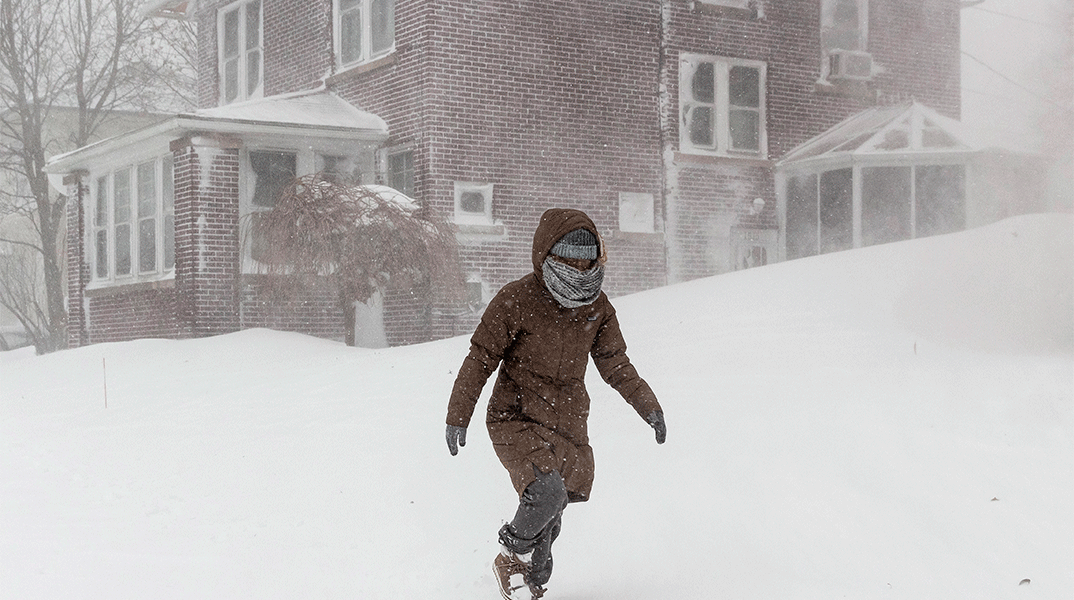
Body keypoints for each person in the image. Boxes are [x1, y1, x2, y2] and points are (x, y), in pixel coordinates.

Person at [445, 208, 666, 600]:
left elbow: (615, 363)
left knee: (549, 528)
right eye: (569, 259)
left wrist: (648, 406)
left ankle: (527, 578)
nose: (579, 269)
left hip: (566, 424)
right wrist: (457, 416)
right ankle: (508, 556)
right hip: (514, 418)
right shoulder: (516, 300)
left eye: (587, 259)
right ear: (547, 255)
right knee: (546, 494)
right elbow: (480, 358)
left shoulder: (597, 306)